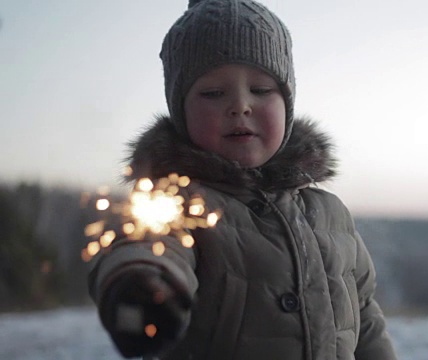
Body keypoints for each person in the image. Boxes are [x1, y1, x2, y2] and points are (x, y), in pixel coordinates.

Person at [88, 0, 398, 359]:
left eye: (261, 90)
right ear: (181, 111)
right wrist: (143, 284)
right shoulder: (177, 203)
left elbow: (364, 317)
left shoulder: (330, 215)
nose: (240, 106)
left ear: (288, 104)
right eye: (213, 93)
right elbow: (145, 244)